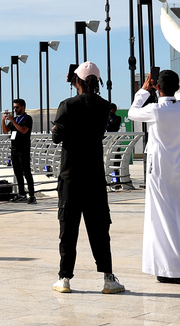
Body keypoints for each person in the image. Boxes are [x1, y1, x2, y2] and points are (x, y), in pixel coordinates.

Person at [49, 61, 125, 294]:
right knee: (100, 228)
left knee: (68, 227)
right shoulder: (104, 106)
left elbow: (56, 137)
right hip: (94, 176)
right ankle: (108, 278)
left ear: (77, 81)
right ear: (97, 81)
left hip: (71, 175)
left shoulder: (67, 105)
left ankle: (64, 278)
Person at [128, 69, 180, 284]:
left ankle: (173, 269)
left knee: (161, 215)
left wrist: (143, 91)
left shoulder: (155, 109)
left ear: (157, 87)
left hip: (159, 167)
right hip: (178, 165)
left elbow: (133, 113)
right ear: (178, 88)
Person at [3, 99, 36, 203]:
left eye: (17, 107)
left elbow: (23, 130)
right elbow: (5, 131)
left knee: (27, 172)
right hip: (14, 149)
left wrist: (12, 121)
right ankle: (22, 194)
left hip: (23, 150)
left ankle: (32, 195)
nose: (15, 109)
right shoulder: (15, 120)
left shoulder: (27, 118)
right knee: (17, 173)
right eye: (14, 107)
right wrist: (3, 120)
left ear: (23, 107)